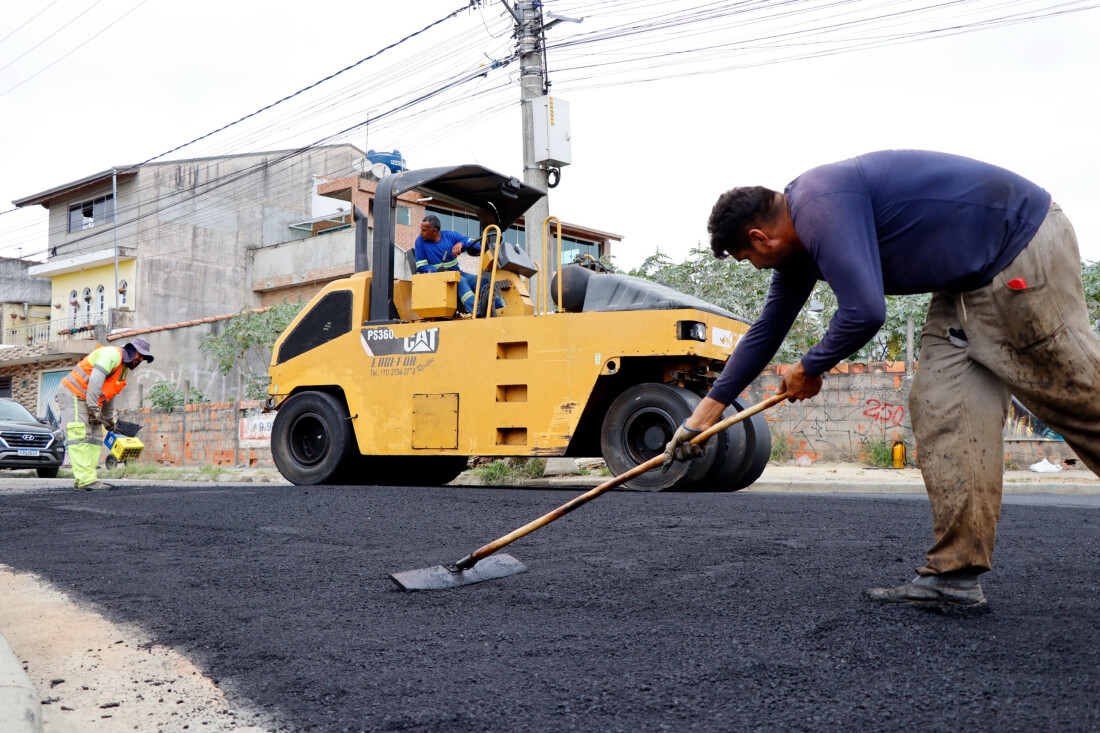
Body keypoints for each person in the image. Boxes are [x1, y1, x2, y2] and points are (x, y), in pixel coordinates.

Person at [662, 150, 1100, 611]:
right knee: (943, 409)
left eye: (747, 256)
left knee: (1077, 398)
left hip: (1019, 243)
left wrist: (811, 366)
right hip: (964, 284)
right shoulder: (799, 242)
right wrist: (702, 416)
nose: (754, 266)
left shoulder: (818, 205)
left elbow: (865, 312)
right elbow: (768, 329)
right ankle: (956, 575)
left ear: (759, 236)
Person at [57, 337, 154, 490]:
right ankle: (86, 480)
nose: (140, 359)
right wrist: (94, 408)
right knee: (79, 433)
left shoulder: (123, 369)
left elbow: (110, 394)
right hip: (73, 392)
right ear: (131, 349)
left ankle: (87, 478)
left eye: (143, 358)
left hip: (90, 399)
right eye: (140, 355)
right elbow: (95, 380)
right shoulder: (112, 355)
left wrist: (108, 420)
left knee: (96, 437)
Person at [414, 215, 503, 316]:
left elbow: (476, 245)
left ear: (434, 231)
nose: (421, 232)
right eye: (421, 229)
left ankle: (500, 310)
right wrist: (440, 272)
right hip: (437, 279)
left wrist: (461, 244)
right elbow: (421, 266)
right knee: (460, 280)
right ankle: (477, 311)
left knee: (483, 281)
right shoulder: (420, 242)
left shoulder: (451, 236)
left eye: (424, 230)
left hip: (457, 274)